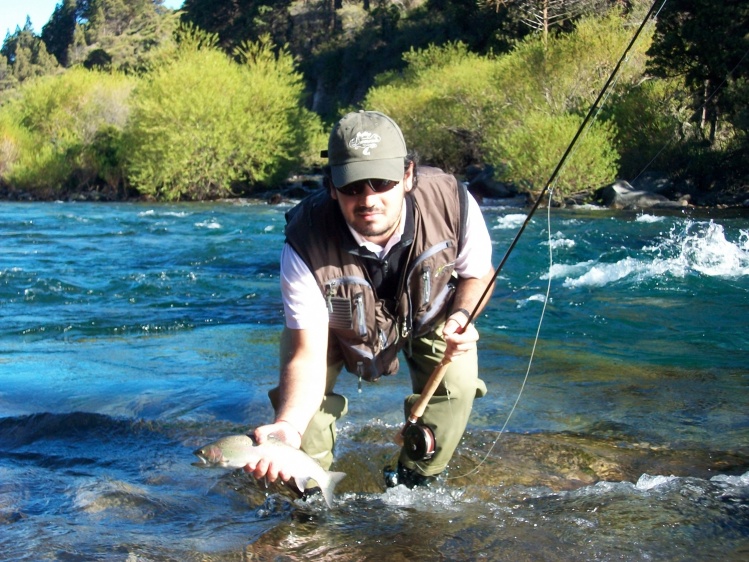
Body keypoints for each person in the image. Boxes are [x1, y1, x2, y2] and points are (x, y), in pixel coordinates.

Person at [245, 110, 495, 490]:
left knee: (457, 386)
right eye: (352, 186)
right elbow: (307, 355)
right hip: (333, 328)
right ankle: (310, 504)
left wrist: (462, 317)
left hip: (434, 316)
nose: (368, 198)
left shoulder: (453, 203)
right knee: (301, 423)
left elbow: (478, 273)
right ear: (331, 187)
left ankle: (413, 481)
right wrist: (288, 426)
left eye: (381, 181)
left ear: (408, 176)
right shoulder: (304, 244)